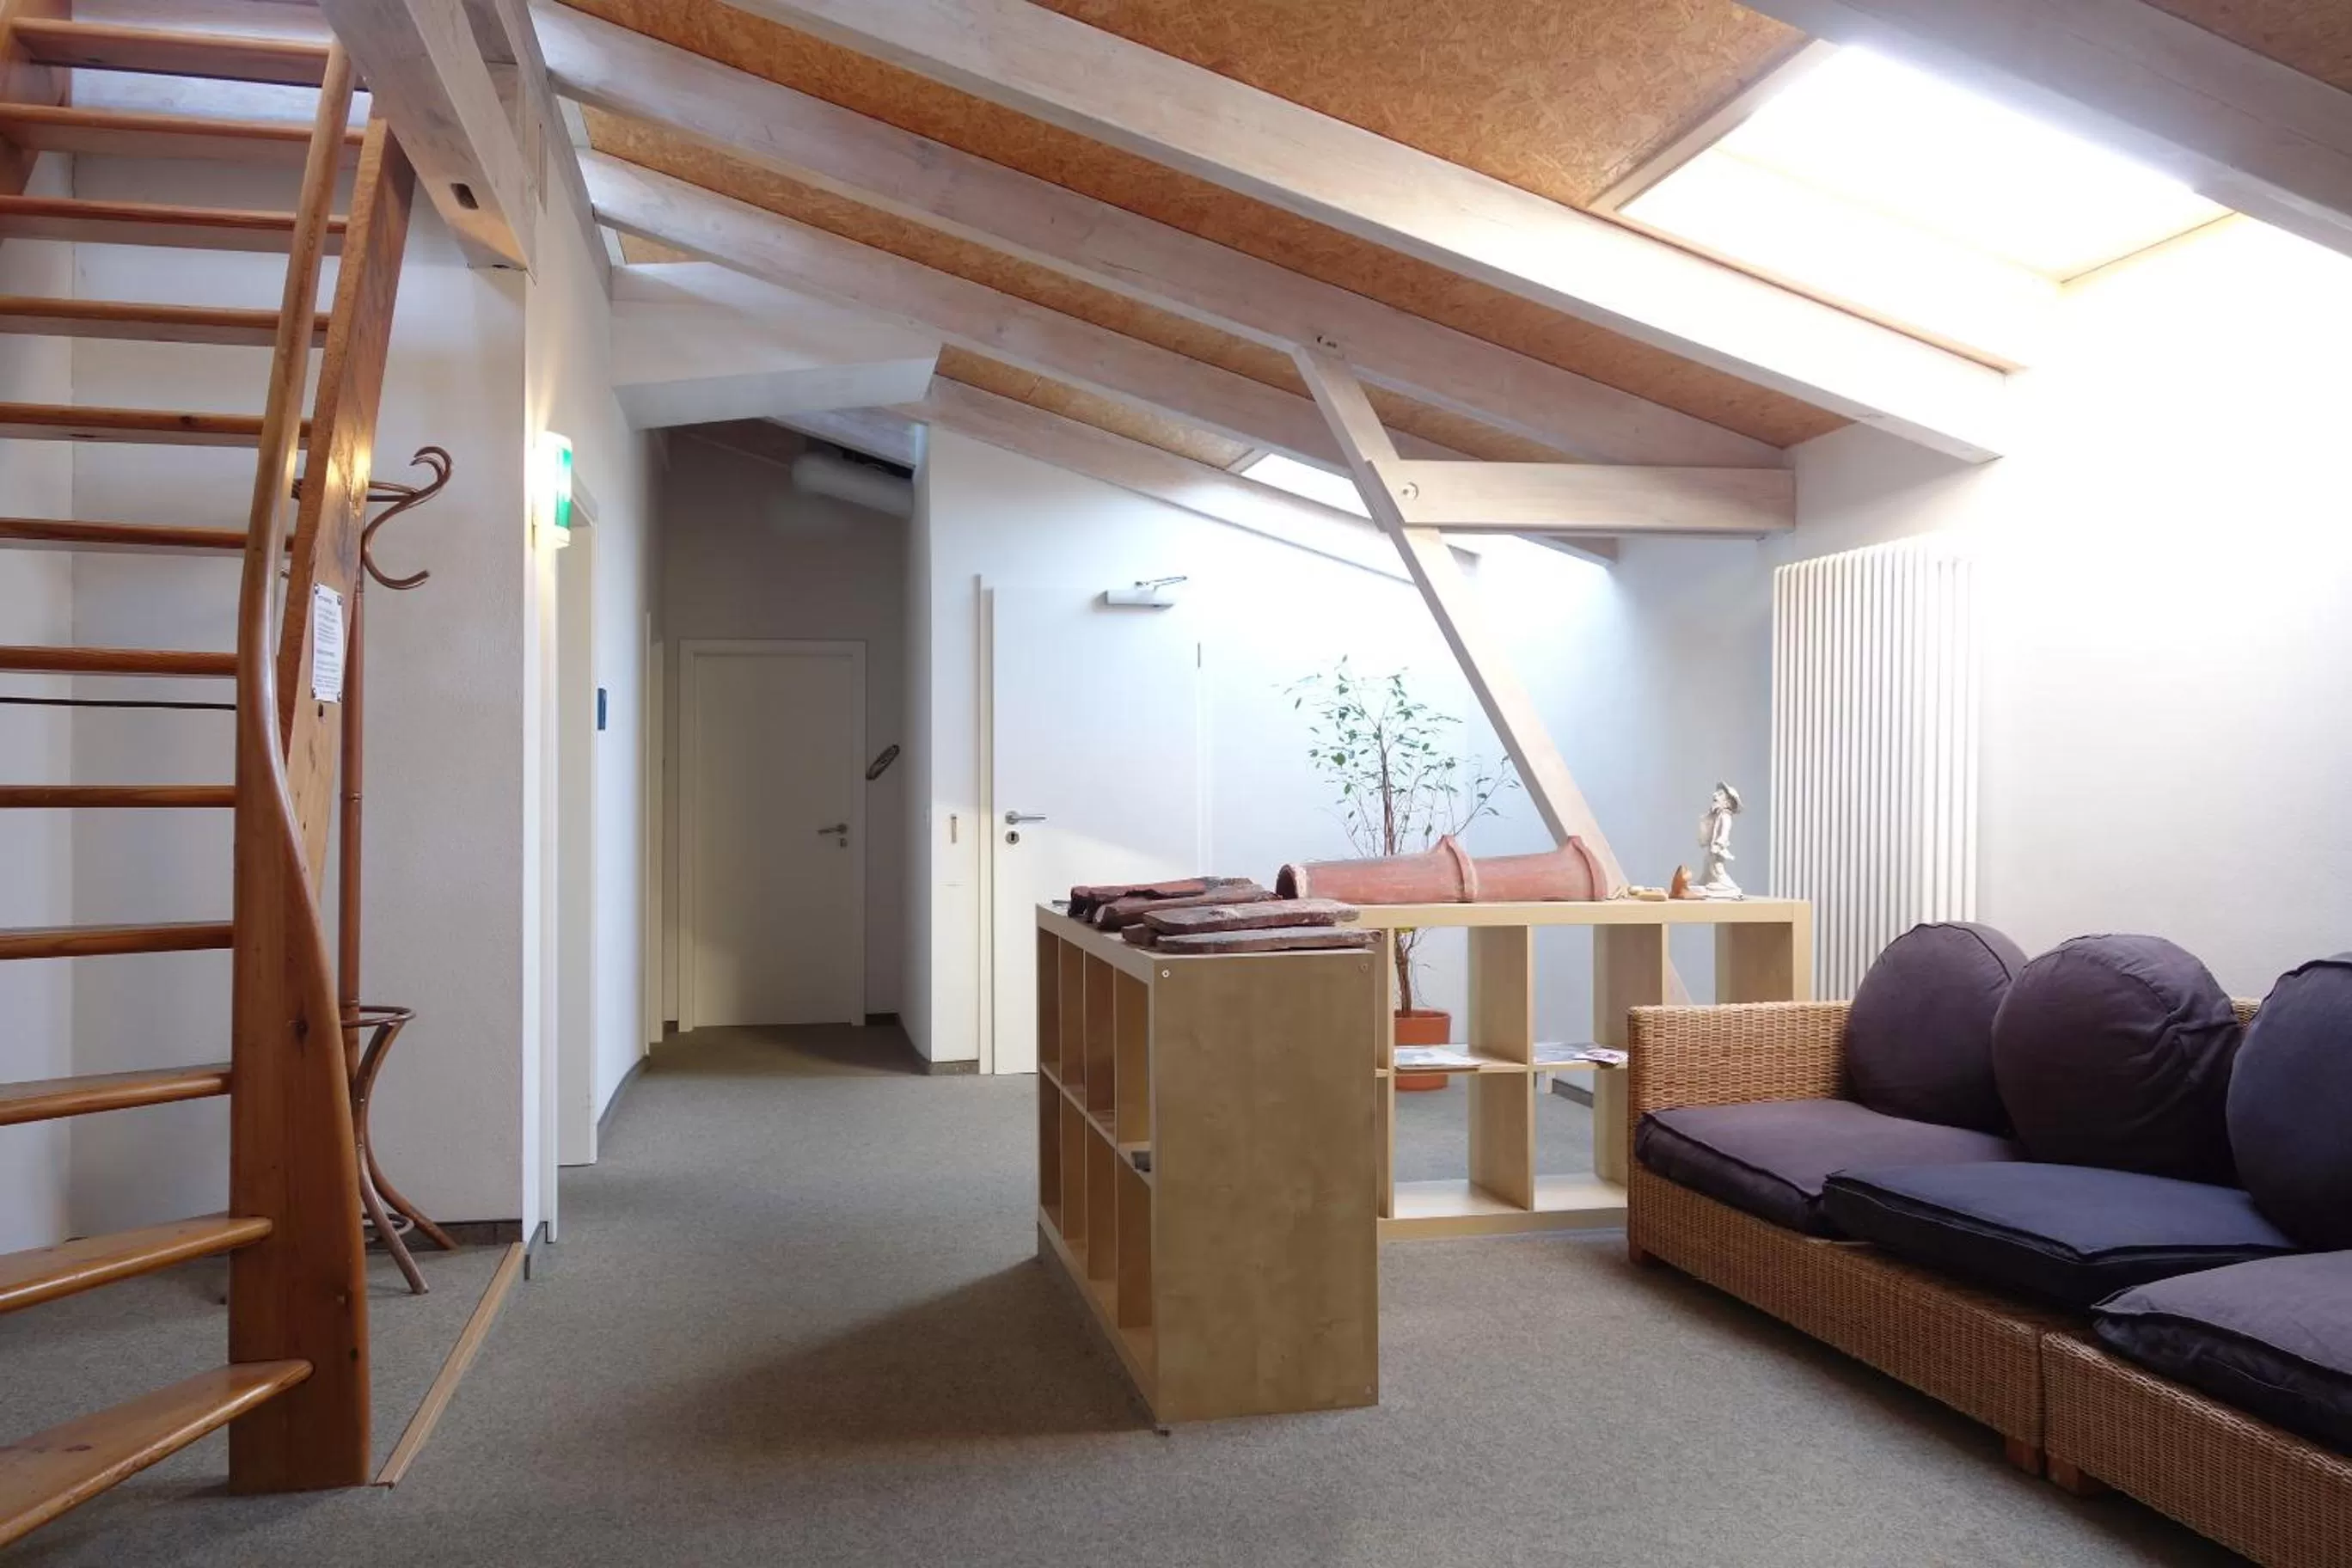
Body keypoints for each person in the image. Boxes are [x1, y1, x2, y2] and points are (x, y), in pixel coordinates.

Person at [1700, 781, 1743, 899]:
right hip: (1712, 846)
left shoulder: (1725, 816)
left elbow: (1724, 832)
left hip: (1718, 848)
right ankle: (1704, 881)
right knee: (1708, 864)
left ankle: (1729, 887)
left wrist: (1719, 844)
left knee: (1717, 868)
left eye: (1720, 794)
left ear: (1727, 802)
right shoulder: (1718, 815)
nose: (1715, 795)